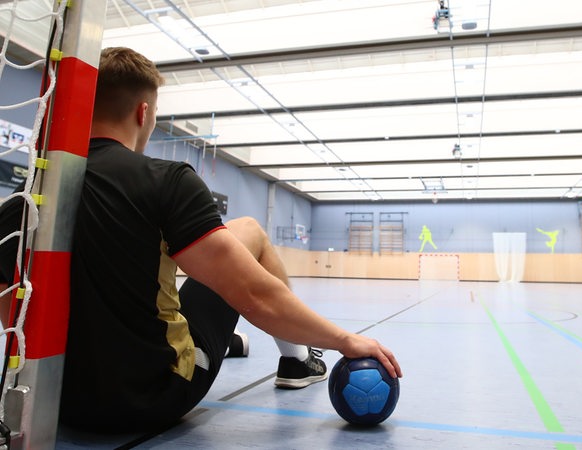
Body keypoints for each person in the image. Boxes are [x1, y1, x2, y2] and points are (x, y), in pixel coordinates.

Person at [0, 47, 401, 432]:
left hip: (54, 401)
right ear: (143, 112)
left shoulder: (31, 197)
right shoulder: (167, 181)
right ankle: (299, 362)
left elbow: (12, 309)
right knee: (251, 234)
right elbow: (254, 294)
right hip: (157, 395)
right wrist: (344, 340)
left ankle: (234, 342)